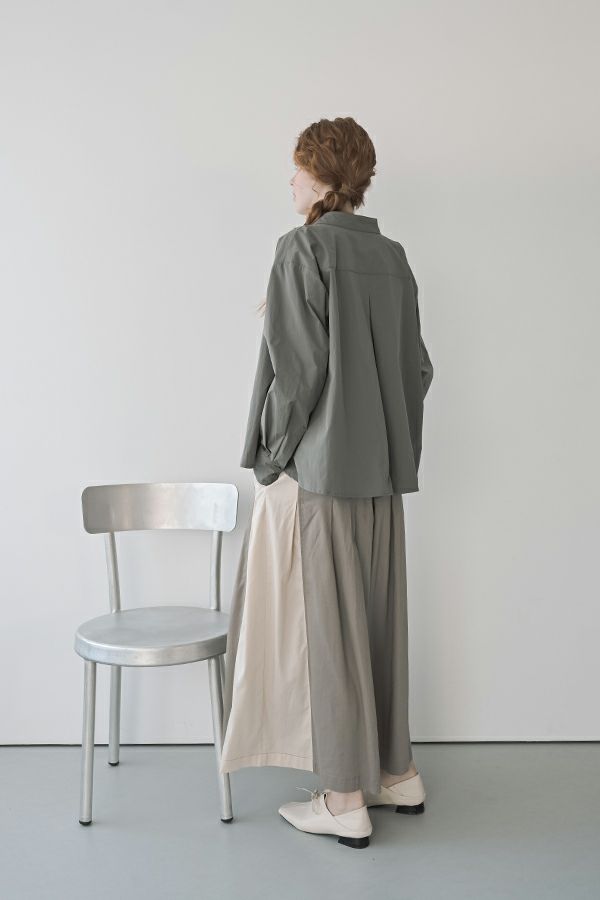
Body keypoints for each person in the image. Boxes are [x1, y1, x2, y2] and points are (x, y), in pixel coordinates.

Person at [219, 116, 434, 850]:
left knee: (330, 632)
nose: (290, 181)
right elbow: (418, 369)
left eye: (296, 169)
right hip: (381, 474)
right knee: (379, 622)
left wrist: (272, 456)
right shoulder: (392, 257)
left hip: (321, 474)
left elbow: (298, 373)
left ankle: (344, 798)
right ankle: (398, 773)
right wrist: (392, 443)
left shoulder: (301, 248)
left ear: (317, 177)